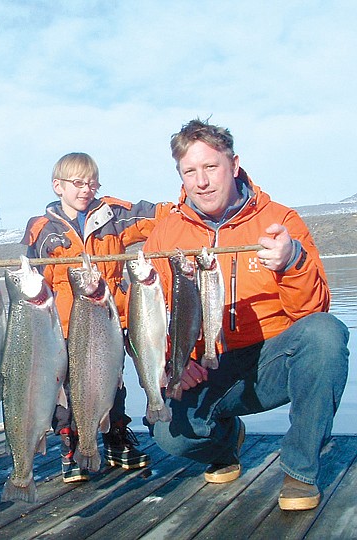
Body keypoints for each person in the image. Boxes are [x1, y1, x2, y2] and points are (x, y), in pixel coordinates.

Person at [144, 118, 349, 511]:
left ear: (234, 165)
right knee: (170, 434)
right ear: (180, 176)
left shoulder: (280, 220)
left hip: (273, 359)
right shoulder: (166, 233)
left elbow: (312, 311)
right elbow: (153, 312)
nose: (201, 181)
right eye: (190, 171)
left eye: (211, 167)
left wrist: (292, 261)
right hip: (209, 365)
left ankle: (300, 470)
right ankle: (225, 443)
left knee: (325, 334)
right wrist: (173, 360)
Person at [22, 152, 174, 482]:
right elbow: (33, 279)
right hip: (62, 328)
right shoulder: (43, 230)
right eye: (78, 183)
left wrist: (186, 198)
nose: (86, 189)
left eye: (92, 182)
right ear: (57, 186)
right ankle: (71, 445)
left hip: (110, 322)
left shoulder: (112, 215)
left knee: (112, 382)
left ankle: (116, 437)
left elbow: (157, 218)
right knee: (66, 390)